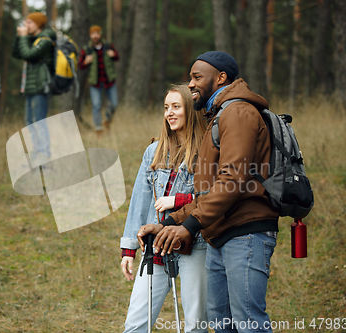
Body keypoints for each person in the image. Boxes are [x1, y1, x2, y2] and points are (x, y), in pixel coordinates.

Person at [138, 51, 279, 333]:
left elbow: (232, 180)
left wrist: (190, 226)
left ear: (221, 78)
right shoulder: (218, 116)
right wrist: (170, 223)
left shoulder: (238, 113)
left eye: (197, 77)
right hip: (220, 234)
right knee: (222, 324)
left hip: (245, 234)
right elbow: (209, 191)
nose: (190, 84)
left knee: (249, 324)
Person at [120, 84, 208, 333]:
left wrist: (179, 200)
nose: (169, 113)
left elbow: (213, 195)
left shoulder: (206, 151)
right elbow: (140, 199)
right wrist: (129, 249)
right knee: (136, 323)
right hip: (156, 244)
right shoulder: (153, 151)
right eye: (166, 107)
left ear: (190, 111)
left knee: (195, 325)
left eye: (176, 107)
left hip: (196, 243)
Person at [12, 11, 55, 164]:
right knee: (30, 121)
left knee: (39, 121)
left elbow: (29, 55)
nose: (26, 25)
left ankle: (44, 156)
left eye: (29, 23)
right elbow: (17, 53)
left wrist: (23, 37)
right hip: (30, 87)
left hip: (40, 87)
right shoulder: (32, 39)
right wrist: (20, 37)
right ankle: (37, 154)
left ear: (38, 24)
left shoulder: (46, 40)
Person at [79, 25, 119, 138]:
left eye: (97, 33)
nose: (95, 36)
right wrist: (86, 62)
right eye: (93, 34)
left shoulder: (107, 46)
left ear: (100, 34)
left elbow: (117, 57)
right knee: (96, 105)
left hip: (109, 80)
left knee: (114, 104)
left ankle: (107, 120)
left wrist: (113, 54)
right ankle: (98, 129)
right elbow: (80, 65)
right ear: (90, 35)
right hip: (95, 82)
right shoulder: (87, 49)